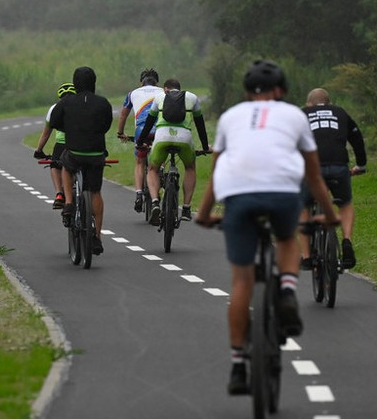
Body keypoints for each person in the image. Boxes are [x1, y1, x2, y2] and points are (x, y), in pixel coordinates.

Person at [195, 60, 339, 396]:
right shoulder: (294, 116)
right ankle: (288, 290)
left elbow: (218, 170)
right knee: (288, 237)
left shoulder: (230, 117)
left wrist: (203, 213)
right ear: (282, 90)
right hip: (282, 193)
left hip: (237, 195)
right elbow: (314, 175)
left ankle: (236, 365)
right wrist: (330, 216)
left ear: (247, 92)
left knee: (241, 281)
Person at [49, 66, 114, 256]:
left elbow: (54, 122)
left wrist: (70, 127)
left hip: (74, 152)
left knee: (66, 165)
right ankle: (97, 237)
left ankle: (68, 201)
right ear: (94, 83)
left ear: (75, 83)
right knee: (95, 191)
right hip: (96, 154)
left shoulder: (66, 102)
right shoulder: (103, 103)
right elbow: (106, 124)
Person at [301, 88, 367, 269]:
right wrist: (360, 165)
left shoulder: (302, 114)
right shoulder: (340, 112)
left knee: (304, 205)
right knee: (345, 203)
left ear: (309, 103)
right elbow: (357, 138)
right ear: (329, 103)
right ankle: (346, 241)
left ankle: (306, 257)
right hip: (339, 167)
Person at [135, 78, 211, 224]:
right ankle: (187, 208)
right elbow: (200, 125)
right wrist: (205, 146)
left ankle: (156, 202)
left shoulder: (159, 98)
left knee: (152, 169)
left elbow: (149, 123)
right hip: (184, 139)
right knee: (190, 168)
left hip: (162, 137)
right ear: (179, 89)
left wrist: (140, 142)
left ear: (165, 89)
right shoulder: (192, 98)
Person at [116, 68, 164, 213]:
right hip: (161, 130)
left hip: (142, 131)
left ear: (141, 82)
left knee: (139, 162)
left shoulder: (133, 93)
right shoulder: (163, 92)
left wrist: (120, 132)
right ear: (157, 82)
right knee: (159, 157)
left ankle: (138, 194)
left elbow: (123, 115)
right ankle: (160, 171)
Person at [33, 82, 77, 210]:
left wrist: (39, 150)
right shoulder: (82, 105)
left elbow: (46, 133)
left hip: (62, 145)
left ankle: (59, 194)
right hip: (81, 143)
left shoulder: (54, 108)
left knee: (55, 164)